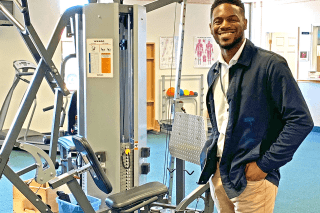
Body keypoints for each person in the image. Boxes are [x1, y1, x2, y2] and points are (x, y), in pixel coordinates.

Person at [197, 0, 314, 212]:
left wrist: (264, 165)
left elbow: (301, 121)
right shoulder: (214, 72)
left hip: (252, 178)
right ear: (211, 28)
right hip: (219, 173)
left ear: (245, 22)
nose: (225, 25)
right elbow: (219, 123)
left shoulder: (270, 65)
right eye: (218, 21)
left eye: (232, 19)